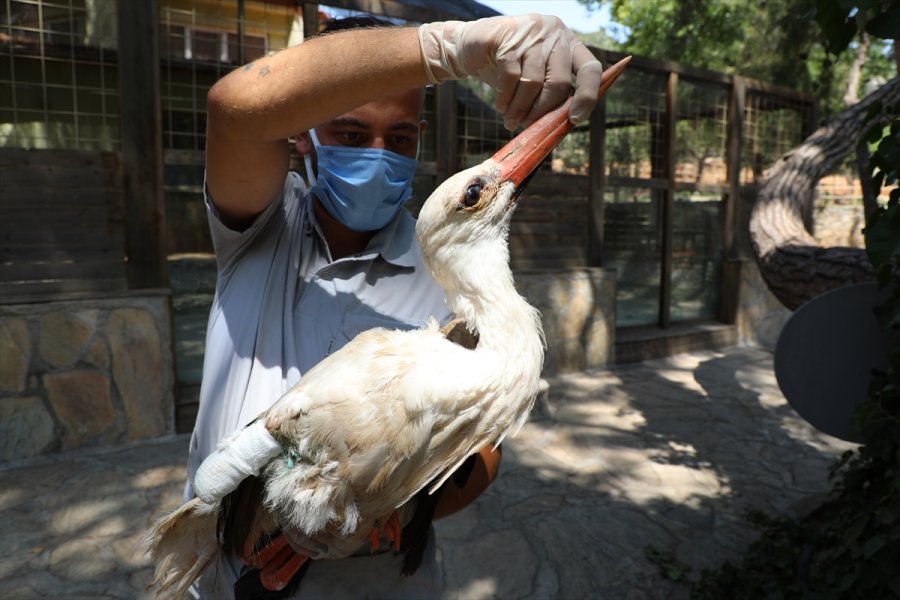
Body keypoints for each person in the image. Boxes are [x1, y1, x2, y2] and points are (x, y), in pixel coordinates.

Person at [185, 12, 603, 599]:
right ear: (300, 130)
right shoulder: (259, 227)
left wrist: (383, 515)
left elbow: (480, 459)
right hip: (226, 575)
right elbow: (235, 109)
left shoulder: (452, 274)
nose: (378, 155)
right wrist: (452, 47)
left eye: (401, 139)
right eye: (352, 135)